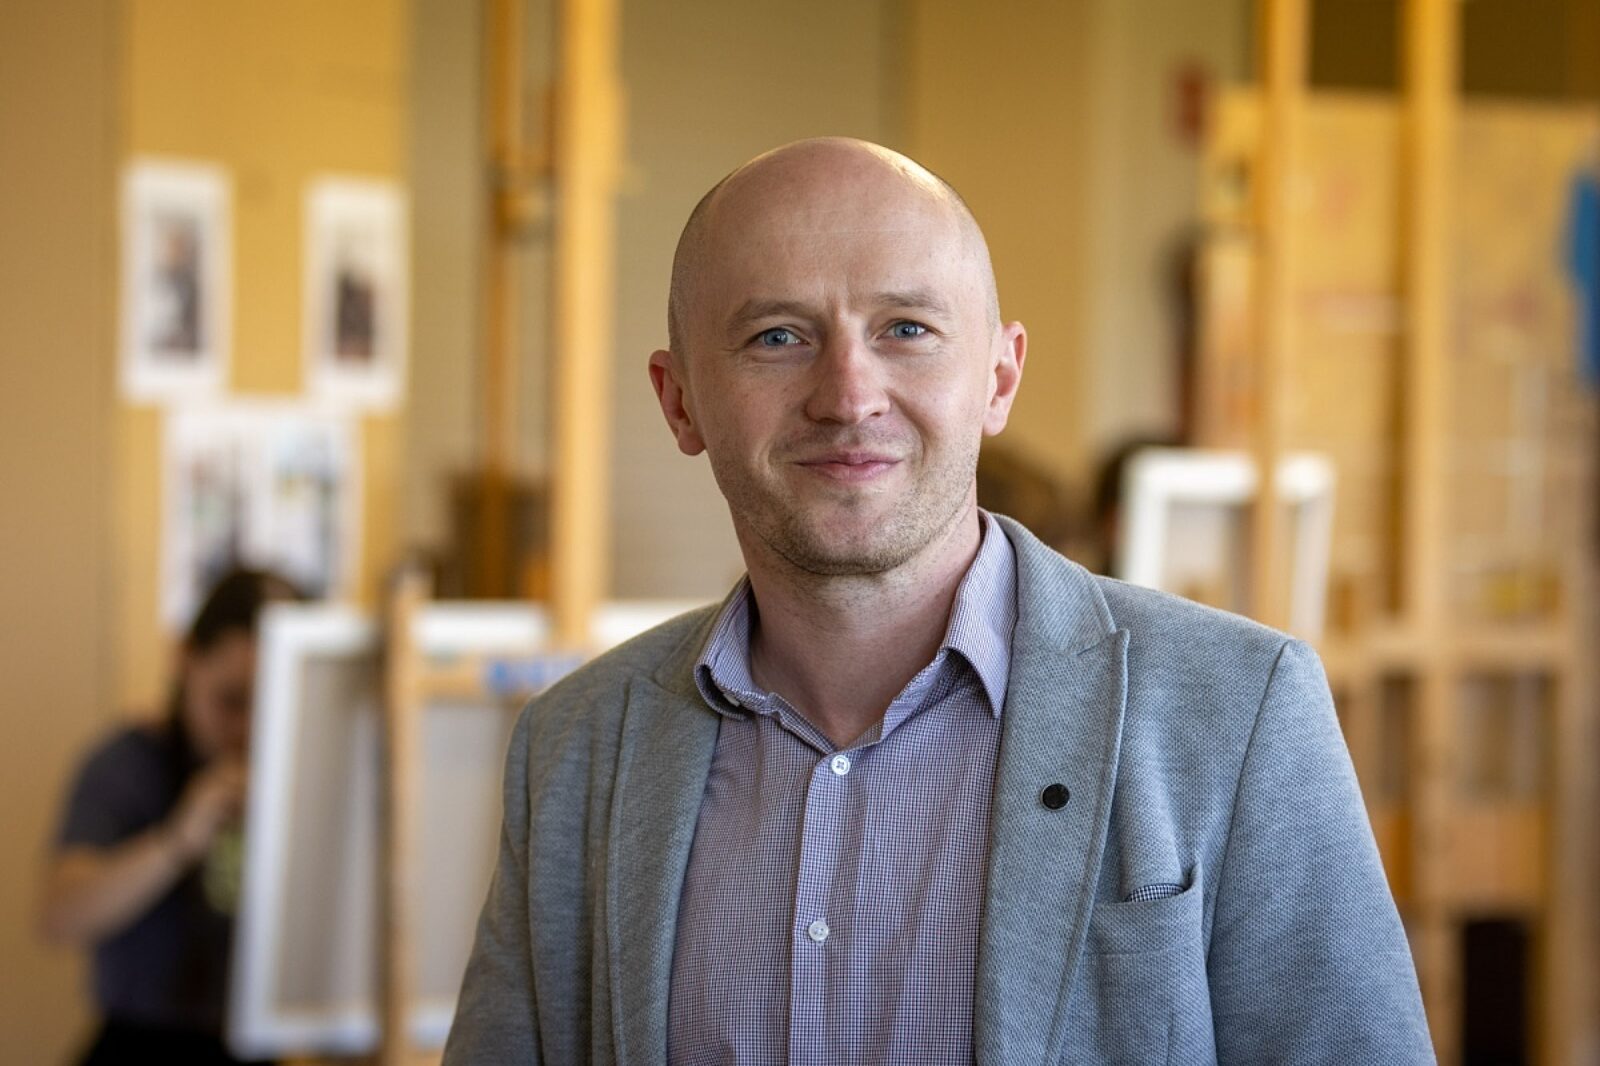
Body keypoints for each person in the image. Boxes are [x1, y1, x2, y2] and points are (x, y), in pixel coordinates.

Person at [444, 138, 1433, 1065]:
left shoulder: (1241, 712)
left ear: (999, 377)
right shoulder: (574, 750)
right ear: (680, 401)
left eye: (906, 330)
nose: (848, 394)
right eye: (777, 336)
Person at [40, 568, 297, 1066]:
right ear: (185, 661)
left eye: (269, 706)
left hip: (259, 1043)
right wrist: (178, 840)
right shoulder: (130, 762)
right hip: (141, 1039)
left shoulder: (301, 775)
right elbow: (59, 914)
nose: (247, 728)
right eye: (230, 701)